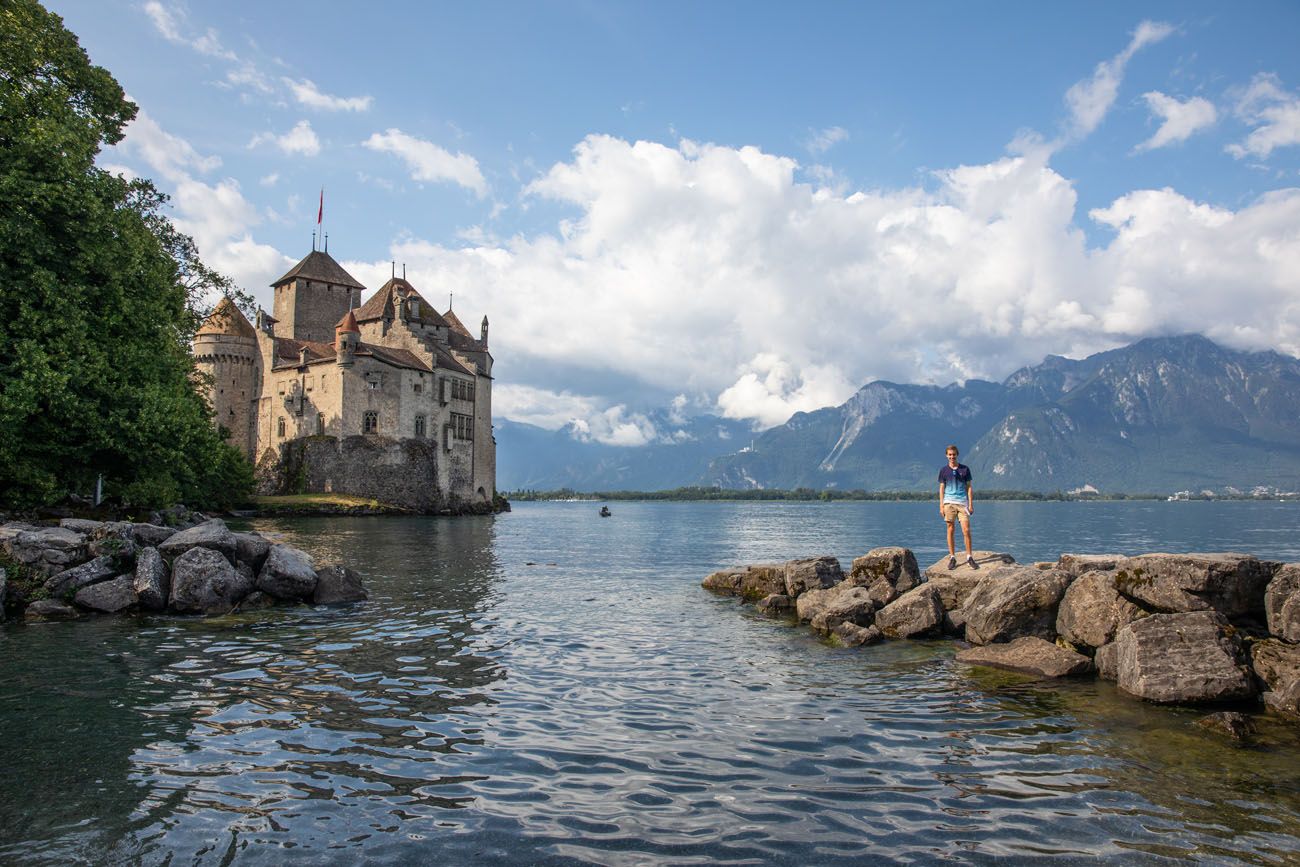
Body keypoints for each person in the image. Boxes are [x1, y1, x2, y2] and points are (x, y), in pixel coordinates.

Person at [938, 444, 976, 570]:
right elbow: (942, 488)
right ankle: (952, 557)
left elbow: (969, 487)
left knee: (966, 530)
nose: (952, 457)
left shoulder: (965, 469)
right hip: (948, 503)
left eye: (953, 454)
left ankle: (969, 557)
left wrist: (971, 504)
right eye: (949, 454)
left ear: (957, 455)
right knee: (950, 529)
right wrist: (941, 506)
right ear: (946, 455)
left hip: (962, 503)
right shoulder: (944, 471)